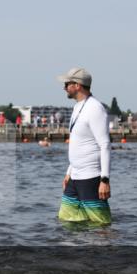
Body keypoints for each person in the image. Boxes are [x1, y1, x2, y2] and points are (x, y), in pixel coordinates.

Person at [56, 68, 112, 225]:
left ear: (77, 85)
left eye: (67, 84)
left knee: (101, 224)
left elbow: (105, 145)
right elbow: (78, 143)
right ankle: (80, 250)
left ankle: (107, 249)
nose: (64, 87)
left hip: (91, 178)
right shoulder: (77, 107)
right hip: (75, 177)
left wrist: (105, 180)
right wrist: (69, 172)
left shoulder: (95, 108)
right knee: (67, 220)